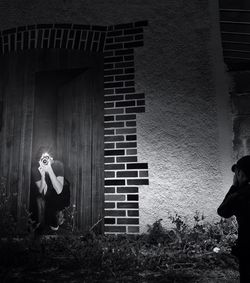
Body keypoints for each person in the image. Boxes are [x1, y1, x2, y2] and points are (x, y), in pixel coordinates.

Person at [217, 155, 250, 283]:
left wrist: (234, 187)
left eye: (237, 173)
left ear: (241, 174)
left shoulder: (240, 195)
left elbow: (223, 211)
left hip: (247, 248)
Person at [30, 147, 70, 234]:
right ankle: (48, 224)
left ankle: (58, 219)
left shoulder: (58, 165)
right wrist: (43, 176)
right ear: (39, 161)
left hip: (61, 192)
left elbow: (59, 190)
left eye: (47, 157)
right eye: (42, 159)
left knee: (57, 197)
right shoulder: (35, 169)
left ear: (51, 158)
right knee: (43, 202)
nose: (45, 160)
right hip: (48, 194)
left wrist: (49, 169)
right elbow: (42, 191)